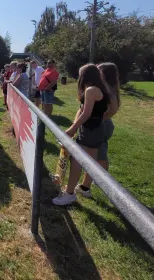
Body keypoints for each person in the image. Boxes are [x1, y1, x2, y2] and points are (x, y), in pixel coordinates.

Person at [52, 64, 110, 205]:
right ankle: (83, 188)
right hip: (96, 129)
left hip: (90, 130)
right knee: (90, 161)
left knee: (77, 160)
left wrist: (72, 129)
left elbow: (86, 114)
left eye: (80, 75)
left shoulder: (90, 90)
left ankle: (70, 193)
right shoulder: (101, 89)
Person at [78, 62, 121, 198]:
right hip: (100, 125)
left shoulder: (107, 89)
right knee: (99, 156)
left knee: (95, 157)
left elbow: (113, 109)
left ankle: (88, 185)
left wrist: (100, 118)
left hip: (100, 126)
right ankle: (100, 181)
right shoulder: (101, 88)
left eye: (98, 70)